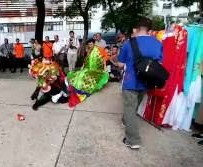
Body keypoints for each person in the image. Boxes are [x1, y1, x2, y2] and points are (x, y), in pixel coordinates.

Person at [118, 17, 163, 150]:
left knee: (130, 108)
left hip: (130, 81)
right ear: (149, 30)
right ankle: (126, 121)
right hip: (147, 81)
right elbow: (159, 63)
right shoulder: (157, 43)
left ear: (135, 29)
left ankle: (133, 140)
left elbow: (121, 65)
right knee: (134, 105)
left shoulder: (128, 43)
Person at [67, 39, 109, 107]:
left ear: (94, 43)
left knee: (86, 77)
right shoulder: (89, 51)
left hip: (96, 70)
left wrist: (105, 69)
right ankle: (75, 88)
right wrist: (82, 67)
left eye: (91, 44)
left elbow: (104, 59)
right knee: (79, 74)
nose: (90, 45)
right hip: (88, 69)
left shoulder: (99, 50)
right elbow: (86, 60)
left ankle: (82, 90)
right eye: (89, 44)